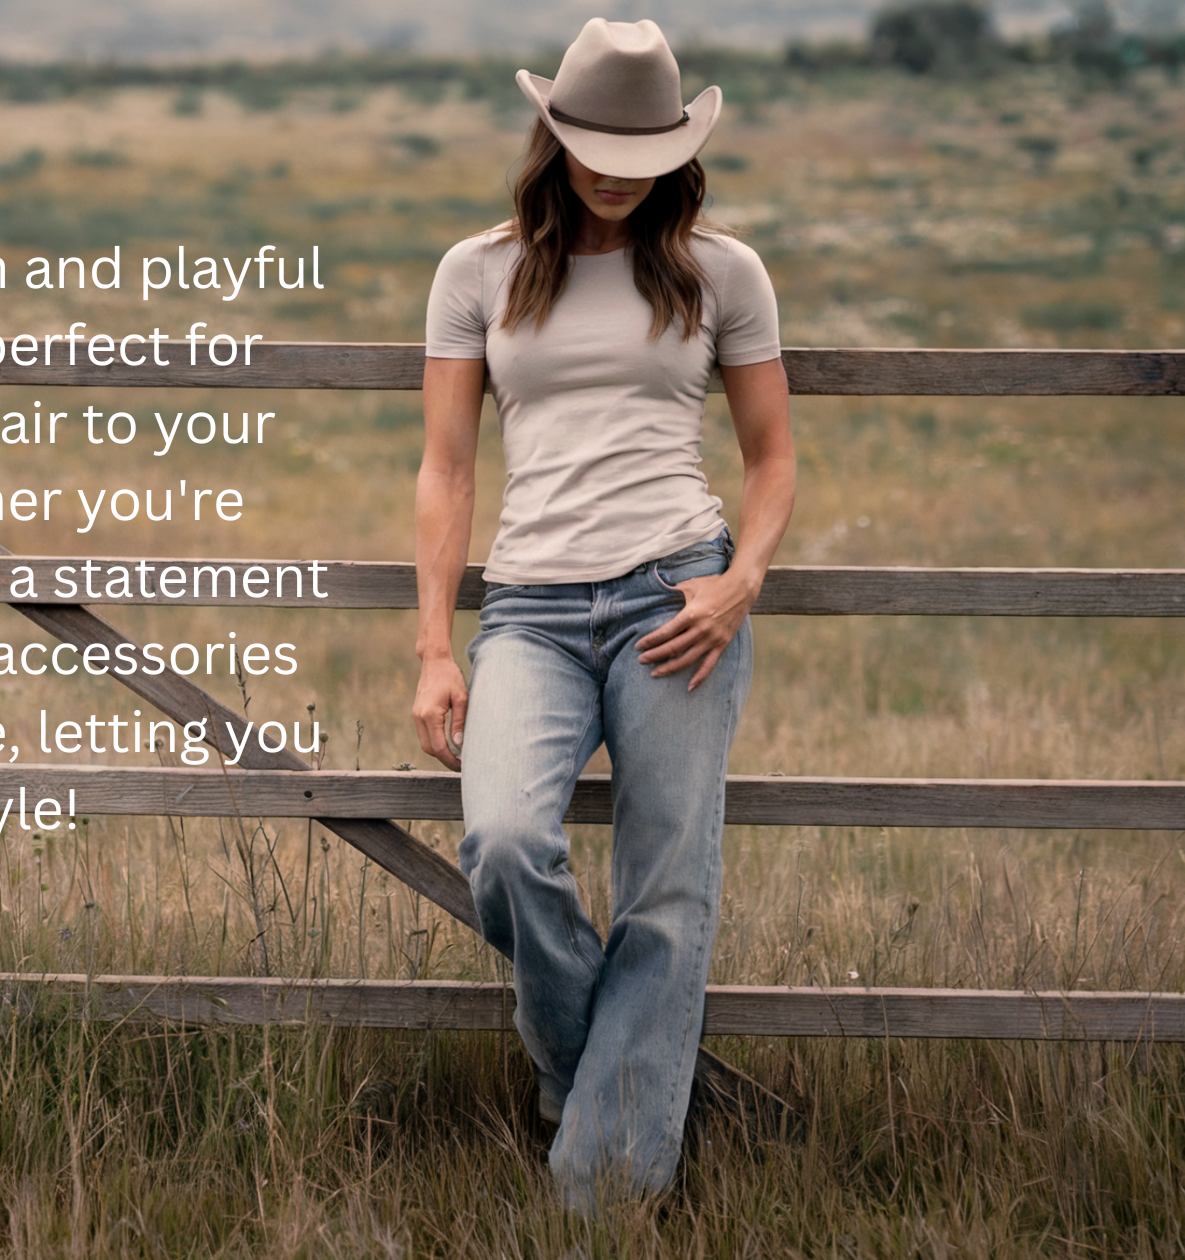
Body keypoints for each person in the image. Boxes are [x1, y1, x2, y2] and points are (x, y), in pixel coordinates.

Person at [411, 17, 796, 1214]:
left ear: (677, 150)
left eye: (640, 153)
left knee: (665, 893)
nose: (615, 172)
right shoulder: (475, 272)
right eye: (592, 147)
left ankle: (601, 1203)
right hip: (527, 609)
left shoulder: (720, 272)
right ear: (551, 135)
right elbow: (444, 471)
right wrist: (434, 647)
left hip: (674, 596)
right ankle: (595, 1085)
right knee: (507, 847)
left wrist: (739, 581)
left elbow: (773, 459)